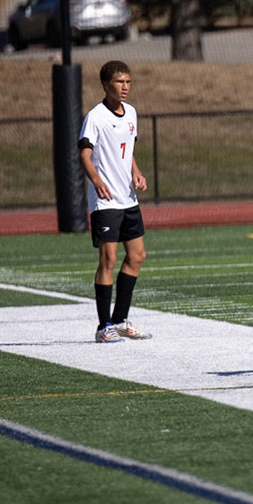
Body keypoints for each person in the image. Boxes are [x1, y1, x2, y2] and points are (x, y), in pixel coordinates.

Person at [79, 60, 151, 342]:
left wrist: (136, 172)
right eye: (120, 82)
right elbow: (85, 154)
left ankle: (120, 320)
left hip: (128, 199)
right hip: (106, 202)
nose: (125, 87)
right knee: (108, 259)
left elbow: (128, 148)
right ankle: (103, 326)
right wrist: (96, 181)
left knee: (137, 256)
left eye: (128, 82)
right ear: (106, 84)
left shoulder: (131, 113)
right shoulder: (95, 116)